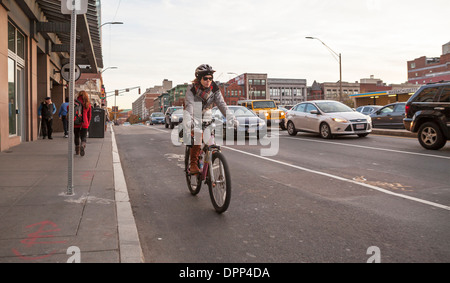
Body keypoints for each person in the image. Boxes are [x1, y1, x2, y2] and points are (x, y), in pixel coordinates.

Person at [185, 64, 236, 174]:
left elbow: (222, 105)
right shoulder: (192, 89)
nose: (208, 81)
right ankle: (193, 164)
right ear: (199, 78)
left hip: (207, 113)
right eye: (205, 78)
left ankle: (209, 168)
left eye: (210, 78)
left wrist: (231, 119)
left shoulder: (215, 89)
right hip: (194, 112)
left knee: (211, 139)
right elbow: (190, 106)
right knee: (198, 136)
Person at [74, 91, 92, 157]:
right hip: (85, 123)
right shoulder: (88, 103)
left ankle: (77, 150)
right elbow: (89, 115)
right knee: (83, 137)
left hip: (76, 122)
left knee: (76, 136)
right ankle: (82, 145)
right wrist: (88, 123)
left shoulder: (75, 102)